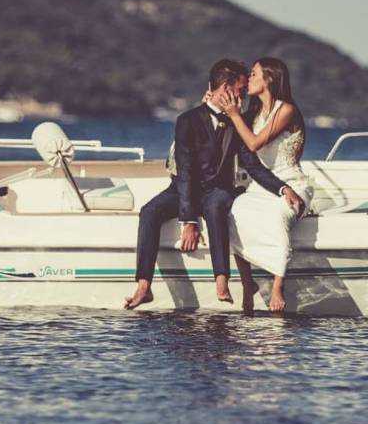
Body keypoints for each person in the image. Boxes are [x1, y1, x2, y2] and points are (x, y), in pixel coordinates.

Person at [126, 59, 306, 310]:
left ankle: (222, 280)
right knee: (149, 211)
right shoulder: (188, 120)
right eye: (240, 91)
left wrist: (281, 188)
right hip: (181, 190)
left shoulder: (237, 122)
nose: (243, 97)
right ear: (225, 89)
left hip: (216, 191)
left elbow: (251, 163)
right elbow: (185, 172)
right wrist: (188, 220)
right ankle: (144, 286)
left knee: (217, 205)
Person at [211, 57, 312, 312]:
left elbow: (254, 143)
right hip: (262, 185)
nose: (249, 79)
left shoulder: (286, 109)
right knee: (234, 212)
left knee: (277, 214)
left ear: (269, 78)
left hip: (291, 181)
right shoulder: (254, 112)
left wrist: (234, 115)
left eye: (254, 74)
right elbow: (233, 129)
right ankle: (248, 283)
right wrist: (217, 106)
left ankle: (278, 284)